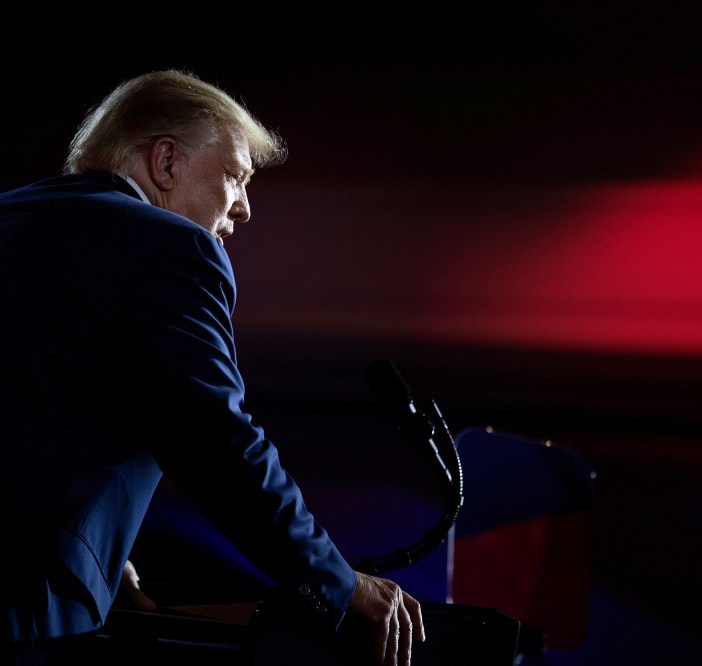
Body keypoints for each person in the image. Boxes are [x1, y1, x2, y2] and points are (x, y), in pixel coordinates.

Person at [0, 69, 424, 665]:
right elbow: (217, 441)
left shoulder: (13, 215)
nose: (245, 209)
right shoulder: (171, 246)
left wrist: (94, 542)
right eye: (236, 176)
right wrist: (338, 584)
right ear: (166, 162)